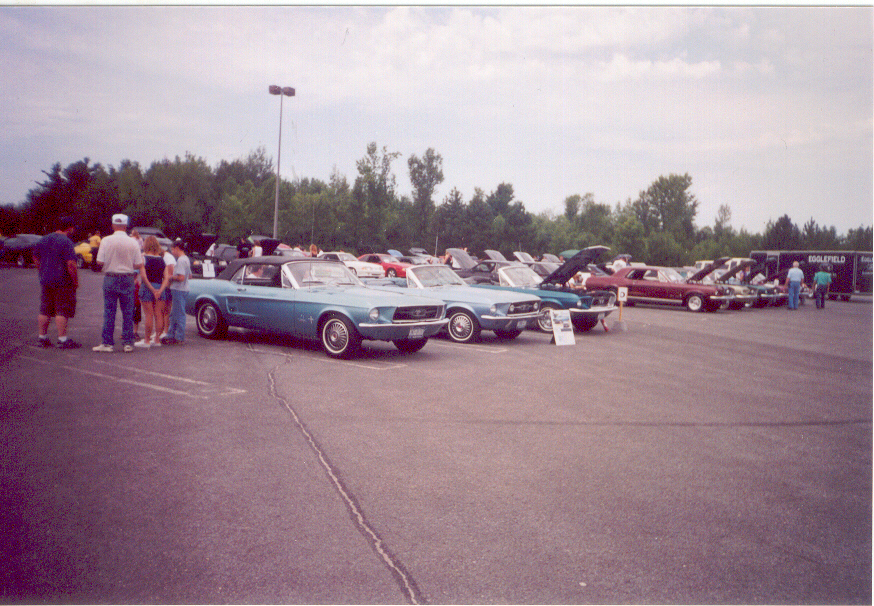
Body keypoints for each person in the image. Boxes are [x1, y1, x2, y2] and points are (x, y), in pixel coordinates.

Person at [93, 214, 144, 353]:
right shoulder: (133, 242)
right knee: (128, 312)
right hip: (127, 278)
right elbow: (139, 263)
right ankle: (128, 343)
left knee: (109, 311)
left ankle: (107, 343)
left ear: (113, 225)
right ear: (126, 226)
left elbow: (99, 262)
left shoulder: (106, 240)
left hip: (110, 277)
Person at [33, 215, 81, 349]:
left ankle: (42, 338)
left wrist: (41, 270)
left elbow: (36, 258)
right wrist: (75, 281)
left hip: (46, 279)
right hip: (62, 281)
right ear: (70, 228)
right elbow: (71, 264)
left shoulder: (44, 239)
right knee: (62, 310)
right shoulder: (66, 242)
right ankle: (62, 339)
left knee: (44, 309)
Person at [134, 236, 167, 348]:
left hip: (148, 288)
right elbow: (166, 277)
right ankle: (157, 339)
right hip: (160, 287)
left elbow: (143, 276)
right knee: (159, 314)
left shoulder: (143, 258)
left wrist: (152, 289)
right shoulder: (162, 259)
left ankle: (147, 340)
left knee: (149, 314)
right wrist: (160, 290)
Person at [162, 239, 191, 345]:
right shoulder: (186, 259)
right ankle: (171, 334)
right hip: (183, 289)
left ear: (177, 248)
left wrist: (171, 277)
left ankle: (179, 336)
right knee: (174, 313)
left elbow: (181, 277)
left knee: (179, 313)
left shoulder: (180, 260)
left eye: (172, 249)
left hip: (179, 289)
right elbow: (189, 275)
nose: (172, 252)